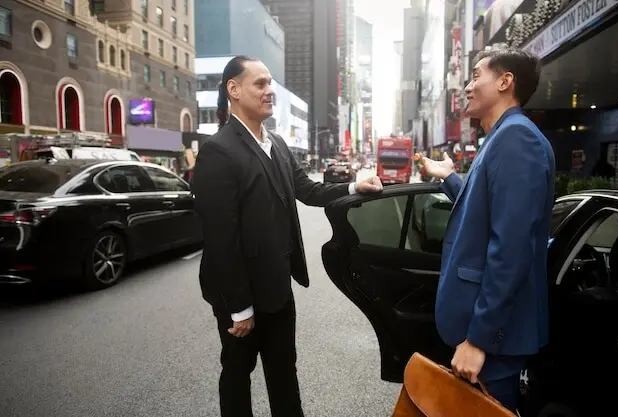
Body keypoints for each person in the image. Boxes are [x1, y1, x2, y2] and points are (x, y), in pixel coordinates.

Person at [191, 55, 382, 417]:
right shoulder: (218, 151)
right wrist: (239, 308)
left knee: (283, 371)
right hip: (241, 294)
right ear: (234, 89)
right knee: (237, 373)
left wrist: (354, 186)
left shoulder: (276, 143)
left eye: (270, 83)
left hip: (278, 287)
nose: (269, 91)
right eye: (260, 84)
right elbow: (221, 239)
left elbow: (307, 189)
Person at [416, 46, 555, 412]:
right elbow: (489, 209)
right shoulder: (502, 136)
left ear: (505, 81)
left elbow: (511, 248)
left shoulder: (516, 139)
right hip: (493, 336)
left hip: (497, 340)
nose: (467, 86)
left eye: (476, 75)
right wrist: (449, 177)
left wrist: (480, 339)